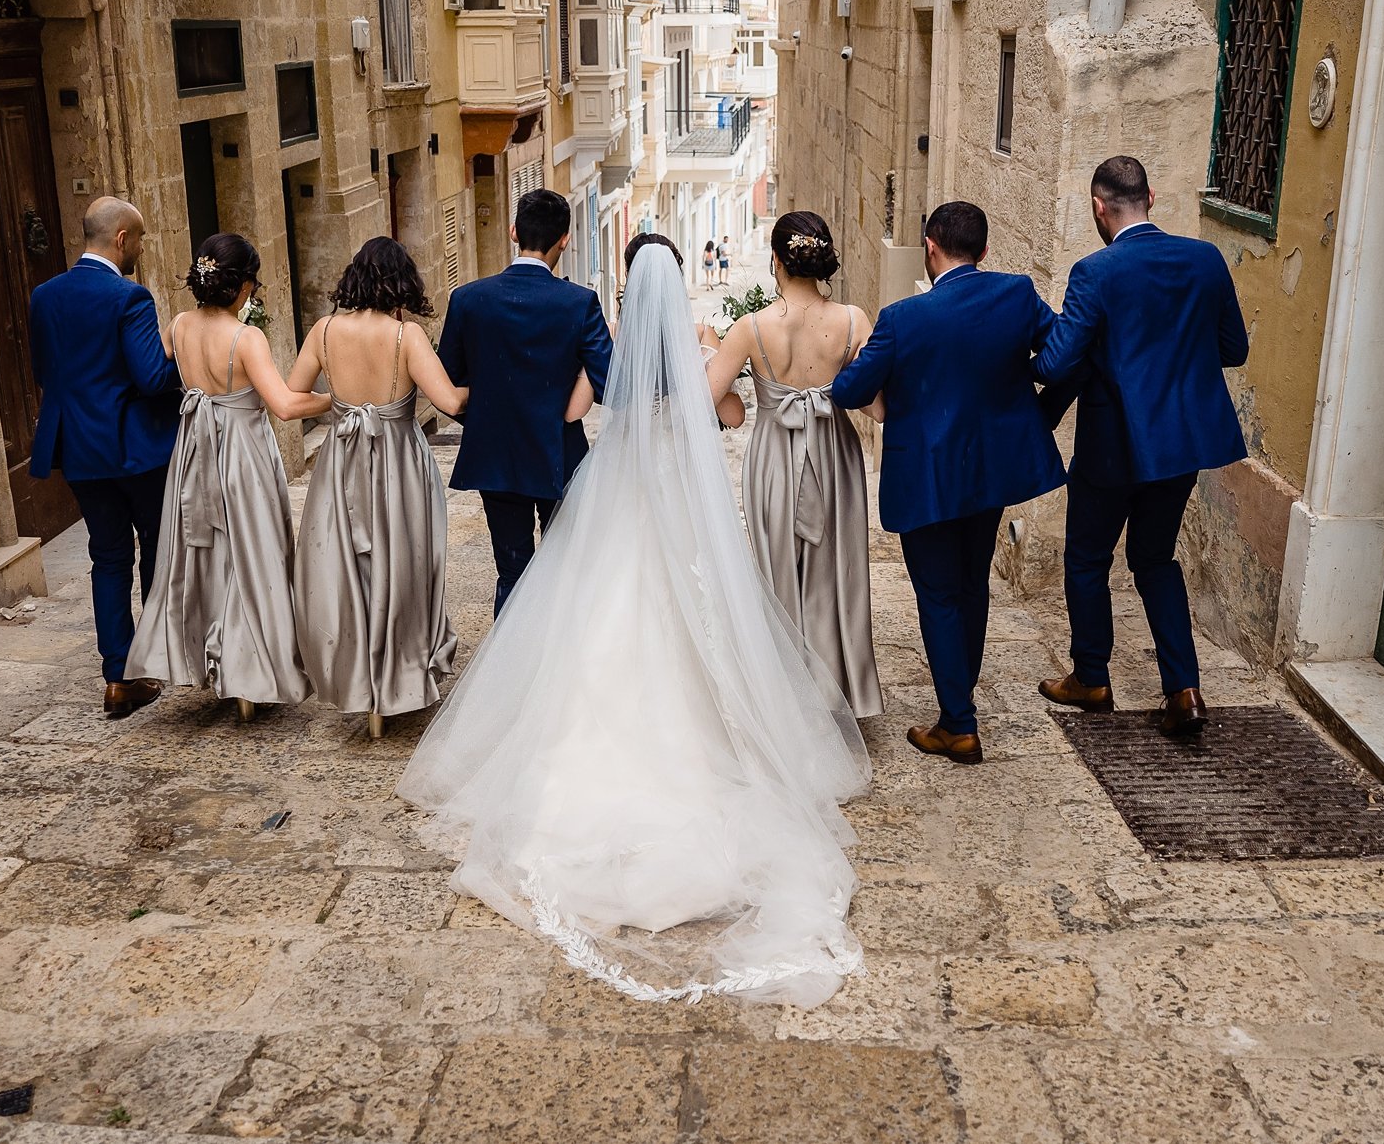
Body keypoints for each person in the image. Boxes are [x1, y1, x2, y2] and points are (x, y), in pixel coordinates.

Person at [398, 243, 872, 1008]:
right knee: (699, 621)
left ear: (628, 291)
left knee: (596, 616)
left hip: (619, 500)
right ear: (680, 286)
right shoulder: (695, 351)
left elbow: (582, 406)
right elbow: (727, 412)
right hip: (681, 507)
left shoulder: (614, 357)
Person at [831, 202, 1066, 765]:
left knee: (937, 594)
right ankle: (960, 694)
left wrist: (858, 363)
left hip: (928, 478)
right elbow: (1061, 355)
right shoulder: (1016, 294)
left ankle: (958, 723)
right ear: (983, 251)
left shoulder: (902, 318)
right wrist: (1030, 403)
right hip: (990, 473)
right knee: (971, 583)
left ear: (930, 249)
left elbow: (848, 392)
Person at [1034, 156, 1249, 737]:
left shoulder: (1095, 272)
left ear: (1099, 207)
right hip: (1179, 445)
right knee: (1155, 558)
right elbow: (1233, 348)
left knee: (1086, 559)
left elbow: (1054, 363)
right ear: (1151, 196)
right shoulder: (1205, 259)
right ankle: (1184, 689)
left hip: (1112, 445)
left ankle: (1092, 678)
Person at [125, 233, 329, 719]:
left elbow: (158, 375)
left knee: (204, 555)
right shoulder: (245, 337)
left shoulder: (178, 325)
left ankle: (213, 660)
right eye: (253, 285)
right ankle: (247, 676)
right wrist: (336, 401)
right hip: (241, 455)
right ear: (241, 287)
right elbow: (283, 405)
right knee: (251, 554)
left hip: (195, 450)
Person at [704, 212, 882, 717]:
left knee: (777, 569)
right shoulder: (853, 321)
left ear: (777, 262)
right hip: (835, 455)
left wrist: (707, 350)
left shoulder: (749, 328)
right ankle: (837, 695)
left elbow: (711, 401)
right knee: (838, 569)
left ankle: (784, 701)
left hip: (774, 459)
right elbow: (879, 407)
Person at [288, 238, 467, 738]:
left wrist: (340, 404)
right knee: (404, 567)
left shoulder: (324, 332)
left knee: (347, 570)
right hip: (398, 466)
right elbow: (450, 402)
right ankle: (396, 680)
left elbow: (293, 394)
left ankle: (360, 685)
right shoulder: (405, 336)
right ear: (402, 281)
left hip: (341, 463)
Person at [28, 197, 185, 719]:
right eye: (139, 239)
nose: (140, 249)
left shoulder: (44, 296)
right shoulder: (129, 297)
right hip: (136, 449)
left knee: (108, 556)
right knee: (158, 551)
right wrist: (181, 359)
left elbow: (45, 373)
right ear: (122, 239)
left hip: (79, 450)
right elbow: (151, 378)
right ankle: (158, 655)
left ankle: (119, 676)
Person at [437, 189, 612, 615]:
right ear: (565, 240)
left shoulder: (467, 298)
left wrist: (488, 414)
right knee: (563, 568)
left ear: (514, 232)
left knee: (512, 571)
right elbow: (610, 383)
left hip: (494, 456)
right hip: (558, 453)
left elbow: (446, 385)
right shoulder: (579, 302)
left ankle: (508, 674)